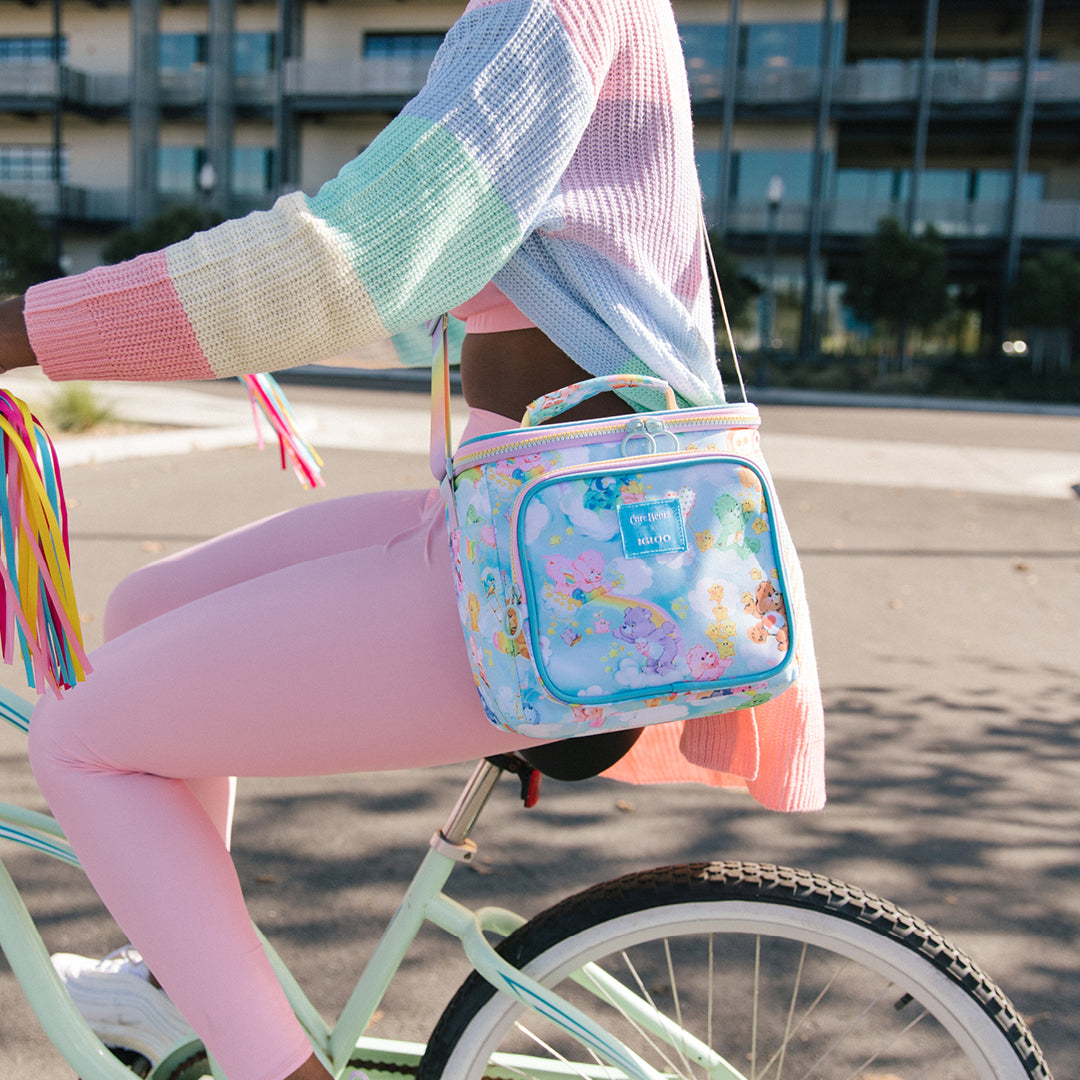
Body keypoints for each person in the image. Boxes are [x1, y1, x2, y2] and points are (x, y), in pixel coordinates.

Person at [0, 0, 825, 1076]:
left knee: (76, 734)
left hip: (542, 567)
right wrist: (186, 317)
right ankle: (173, 984)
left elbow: (353, 262)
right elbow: (413, 283)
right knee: (140, 609)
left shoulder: (549, 10)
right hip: (517, 519)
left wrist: (20, 328)